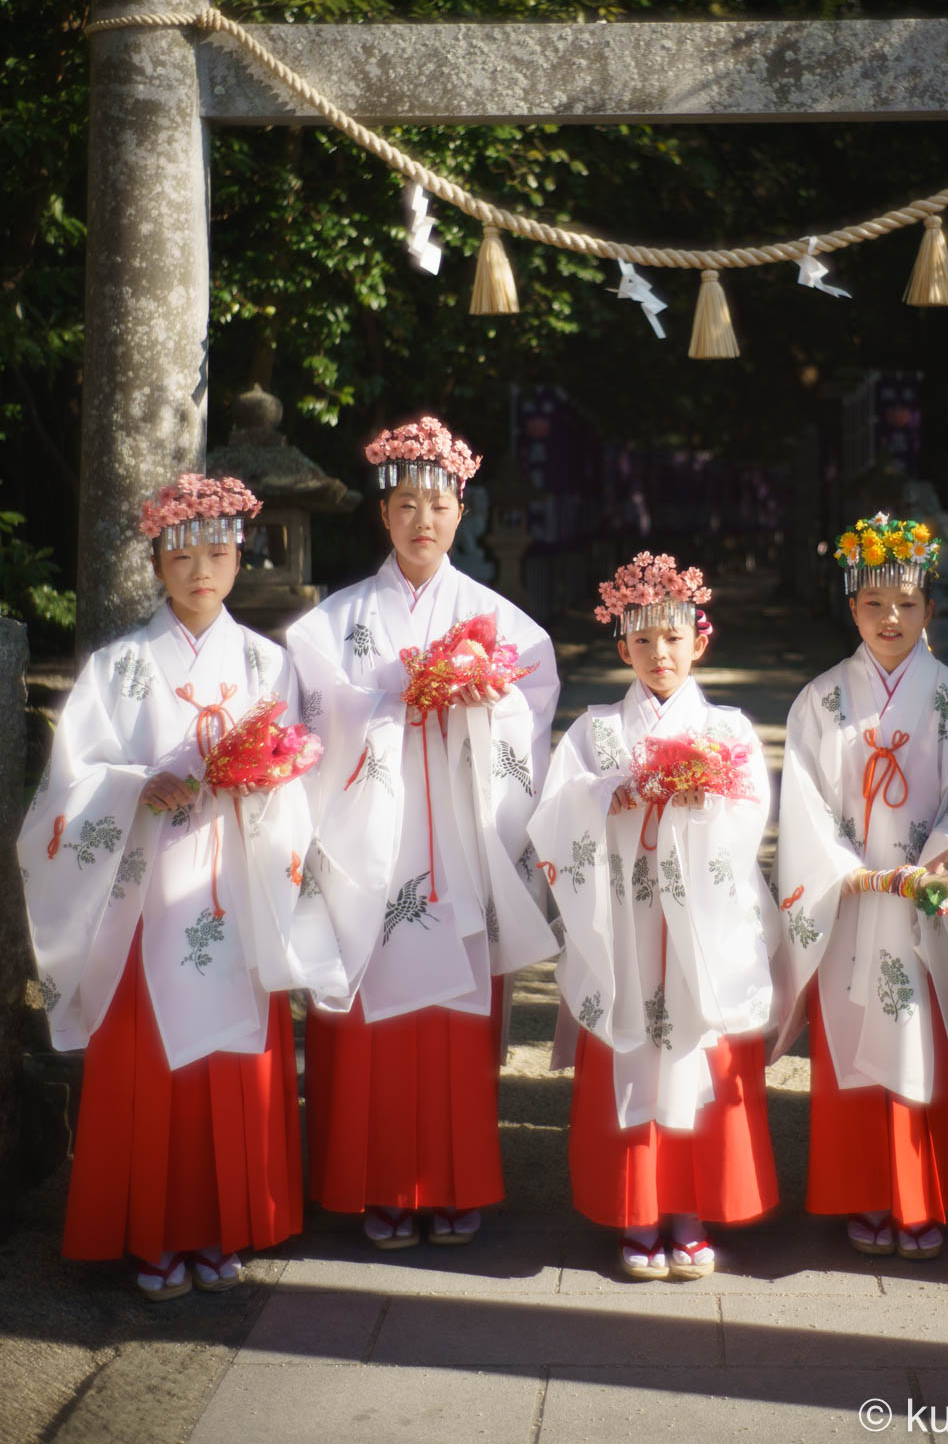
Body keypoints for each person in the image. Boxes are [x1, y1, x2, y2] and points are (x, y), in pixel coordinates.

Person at [18, 473, 346, 1299]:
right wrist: (137, 785)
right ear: (158, 562)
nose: (202, 570)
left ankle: (222, 1227)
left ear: (241, 558)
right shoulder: (121, 667)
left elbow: (301, 776)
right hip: (145, 892)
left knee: (230, 1059)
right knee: (154, 1064)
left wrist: (267, 777)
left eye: (218, 553)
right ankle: (154, 1235)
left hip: (237, 883)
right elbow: (70, 784)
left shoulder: (268, 665)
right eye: (182, 554)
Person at [287, 414, 559, 1250]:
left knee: (452, 1018)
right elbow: (310, 716)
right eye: (405, 503)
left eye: (437, 504)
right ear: (384, 514)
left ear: (461, 509)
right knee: (372, 1017)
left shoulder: (501, 622)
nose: (422, 521)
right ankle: (375, 1185)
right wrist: (400, 699)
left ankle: (454, 1184)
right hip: (370, 845)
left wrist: (485, 701)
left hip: (459, 842)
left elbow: (531, 711)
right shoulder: (331, 623)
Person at [527, 553, 778, 1279]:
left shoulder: (726, 727)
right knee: (634, 1047)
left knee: (694, 1049)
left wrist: (696, 801)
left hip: (698, 923)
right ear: (622, 648)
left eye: (672, 638)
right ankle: (636, 1210)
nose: (659, 654)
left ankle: (691, 1208)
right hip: (624, 925)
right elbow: (555, 815)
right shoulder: (595, 731)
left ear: (700, 641)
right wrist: (612, 793)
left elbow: (747, 816)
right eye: (642, 641)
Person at [777, 513, 948, 1262]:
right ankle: (865, 1192)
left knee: (928, 1043)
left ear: (932, 608)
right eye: (872, 603)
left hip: (931, 902)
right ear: (851, 608)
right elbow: (802, 809)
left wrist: (941, 859)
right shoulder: (821, 701)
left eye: (904, 602)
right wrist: (854, 873)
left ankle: (925, 1197)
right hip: (856, 902)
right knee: (860, 1045)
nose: (889, 618)